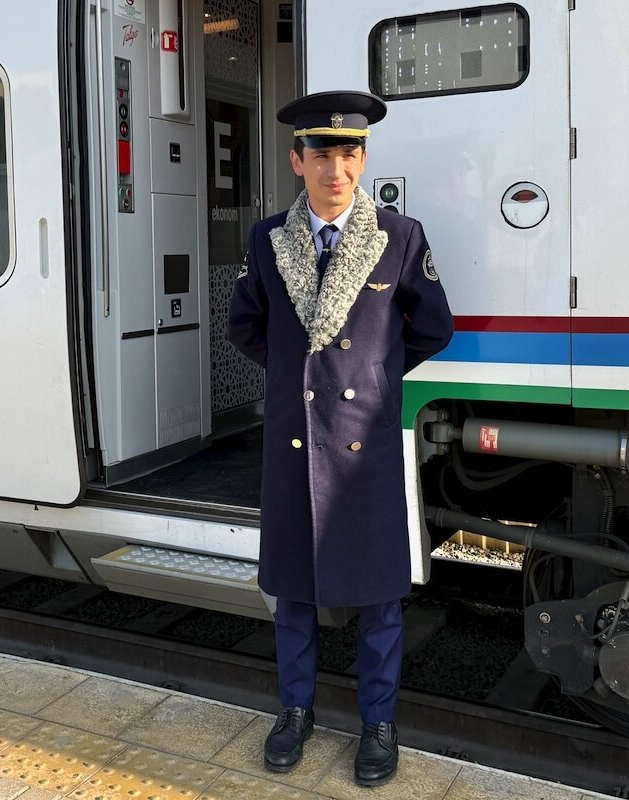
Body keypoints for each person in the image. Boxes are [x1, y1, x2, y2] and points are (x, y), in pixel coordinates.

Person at [227, 90, 453, 787]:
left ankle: (379, 724)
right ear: (297, 160)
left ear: (363, 159)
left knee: (380, 596)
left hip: (365, 442)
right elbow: (244, 326)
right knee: (293, 592)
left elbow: (433, 327)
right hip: (295, 440)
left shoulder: (400, 236)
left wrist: (373, 376)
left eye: (349, 153)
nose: (336, 169)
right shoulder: (269, 239)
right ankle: (294, 712)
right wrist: (296, 377)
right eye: (321, 153)